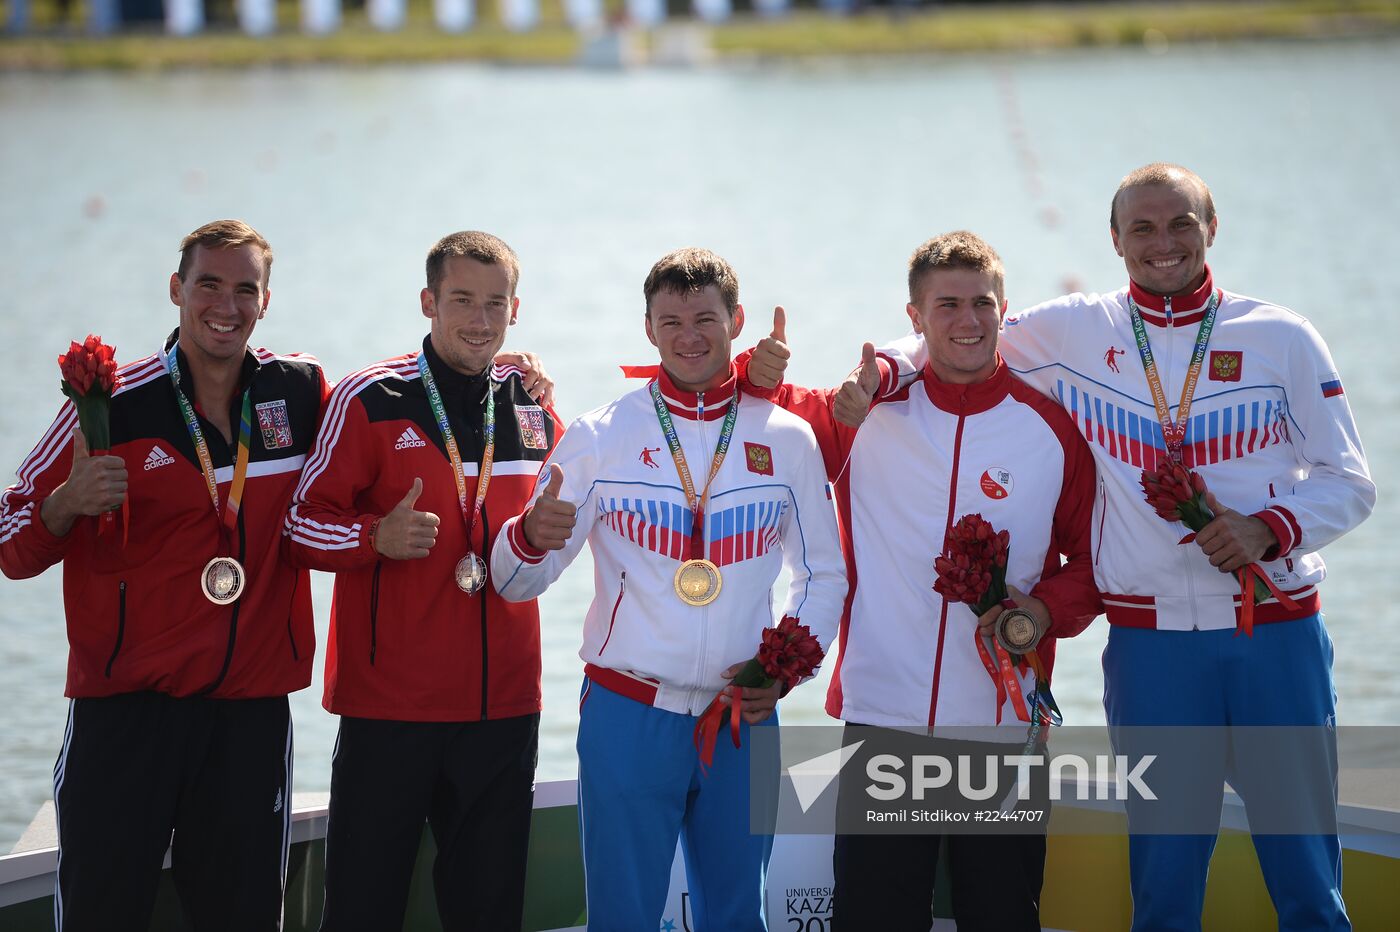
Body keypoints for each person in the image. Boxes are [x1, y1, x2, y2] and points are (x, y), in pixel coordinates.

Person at [823, 164, 1376, 931]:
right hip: (1153, 650)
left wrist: (1268, 527)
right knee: (1165, 890)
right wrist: (879, 372)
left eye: (1181, 223)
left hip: (1274, 637)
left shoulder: (1282, 336)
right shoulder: (1073, 330)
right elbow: (950, 335)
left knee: (1309, 883)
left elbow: (1351, 483)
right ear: (1114, 240)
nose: (1163, 243)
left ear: (1211, 230)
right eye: (1142, 228)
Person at [737, 231, 1101, 930]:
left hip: (1002, 730)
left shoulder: (1051, 429)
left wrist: (1043, 610)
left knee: (1001, 918)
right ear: (914, 316)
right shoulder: (861, 410)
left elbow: (1092, 568)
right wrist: (761, 372)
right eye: (947, 306)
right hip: (886, 726)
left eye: (982, 304)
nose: (967, 321)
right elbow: (748, 407)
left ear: (1004, 309)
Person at [490, 247, 846, 931]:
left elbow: (824, 575)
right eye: (672, 320)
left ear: (736, 321)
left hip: (744, 716)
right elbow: (515, 582)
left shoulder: (789, 439)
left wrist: (784, 671)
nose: (690, 336)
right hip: (629, 715)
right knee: (621, 921)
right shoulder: (602, 435)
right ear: (648, 328)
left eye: (706, 318)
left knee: (739, 918)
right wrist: (529, 534)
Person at [0, 220, 330, 930]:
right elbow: (11, 542)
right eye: (209, 283)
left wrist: (503, 371)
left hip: (248, 715)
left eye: (246, 288)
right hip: (125, 715)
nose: (227, 304)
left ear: (266, 301)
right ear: (176, 289)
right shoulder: (109, 404)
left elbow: (385, 405)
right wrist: (64, 505)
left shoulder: (299, 392)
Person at [284, 230, 559, 931]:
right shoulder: (369, 398)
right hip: (391, 710)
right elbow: (299, 524)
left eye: (495, 303)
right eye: (462, 300)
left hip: (502, 708)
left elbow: (561, 529)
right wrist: (375, 537)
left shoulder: (530, 406)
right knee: (363, 909)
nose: (479, 319)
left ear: (515, 310)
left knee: (488, 912)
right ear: (428, 301)